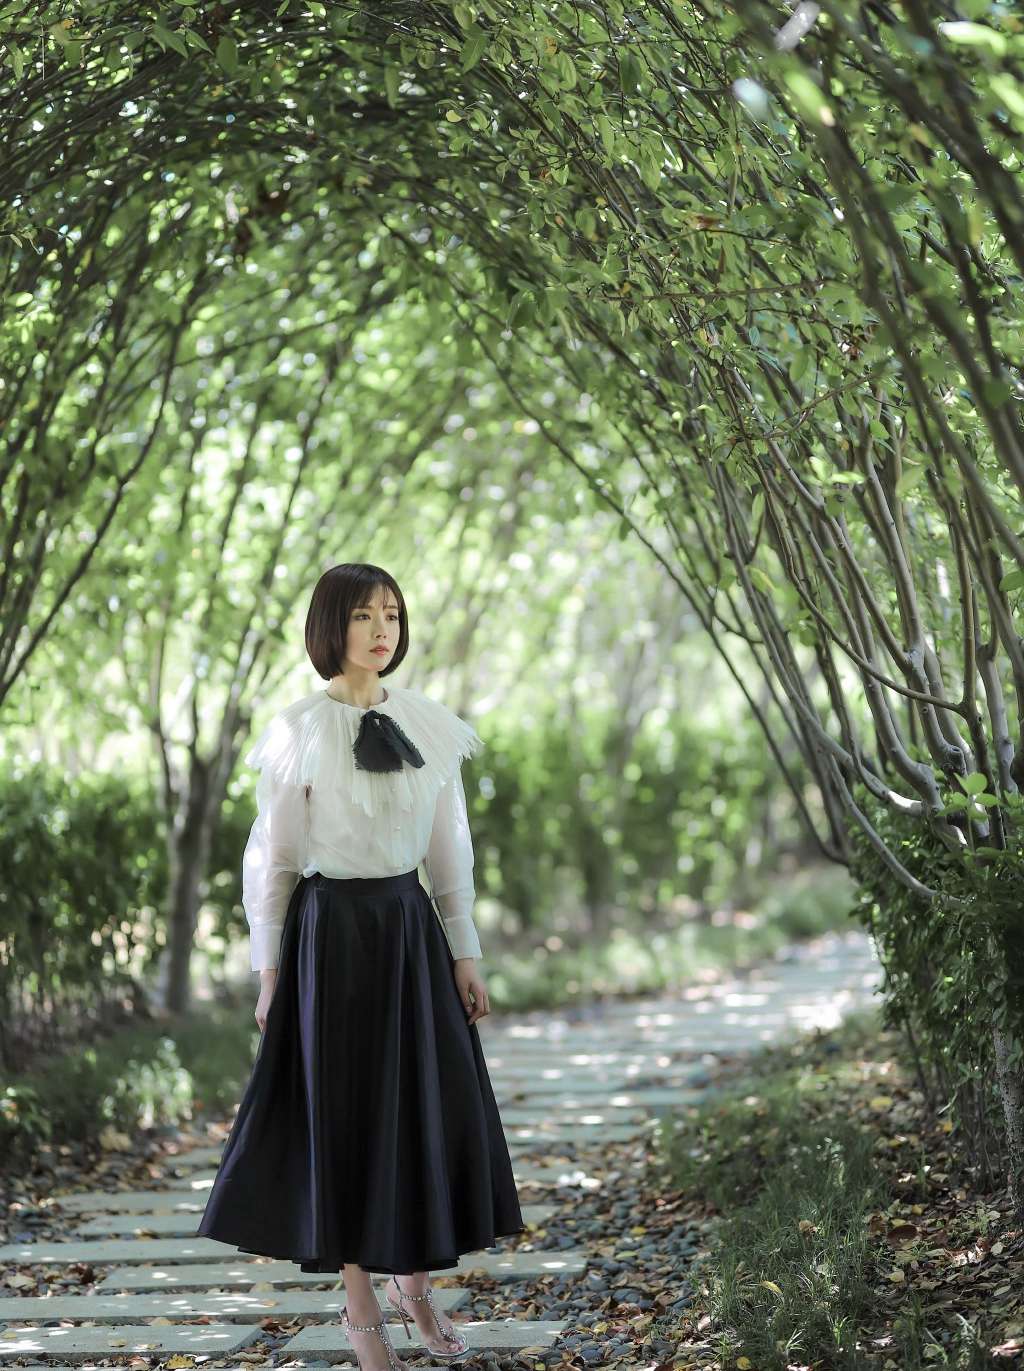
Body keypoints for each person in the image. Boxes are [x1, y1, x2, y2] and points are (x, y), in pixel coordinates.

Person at [196, 562, 525, 1370]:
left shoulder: (430, 725)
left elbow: (451, 850)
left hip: (409, 932)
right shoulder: (298, 730)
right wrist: (269, 970)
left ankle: (415, 1289)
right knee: (340, 1118)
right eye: (365, 615)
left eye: (393, 614)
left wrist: (464, 950)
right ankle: (360, 1309)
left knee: (416, 1107)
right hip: (329, 938)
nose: (383, 629)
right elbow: (270, 861)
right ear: (330, 628)